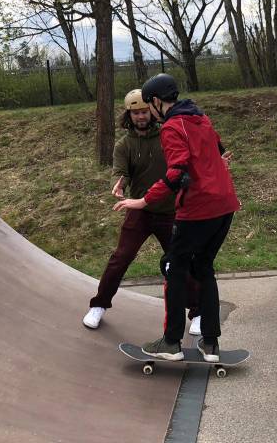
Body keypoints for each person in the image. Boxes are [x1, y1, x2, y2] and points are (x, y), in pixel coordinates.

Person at [113, 74, 239, 363]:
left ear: (157, 102)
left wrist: (142, 201)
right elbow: (218, 150)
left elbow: (176, 172)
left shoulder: (171, 127)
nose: (150, 112)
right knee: (203, 267)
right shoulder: (200, 117)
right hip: (225, 205)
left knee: (173, 267)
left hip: (198, 209)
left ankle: (171, 342)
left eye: (149, 105)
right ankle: (211, 343)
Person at [83, 89, 201, 331]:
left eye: (144, 111)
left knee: (181, 260)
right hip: (140, 211)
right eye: (135, 113)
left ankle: (198, 312)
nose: (141, 116)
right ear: (129, 115)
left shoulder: (167, 135)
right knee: (120, 258)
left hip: (169, 211)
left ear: (152, 111)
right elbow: (120, 172)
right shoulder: (124, 145)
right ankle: (99, 305)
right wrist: (118, 184)